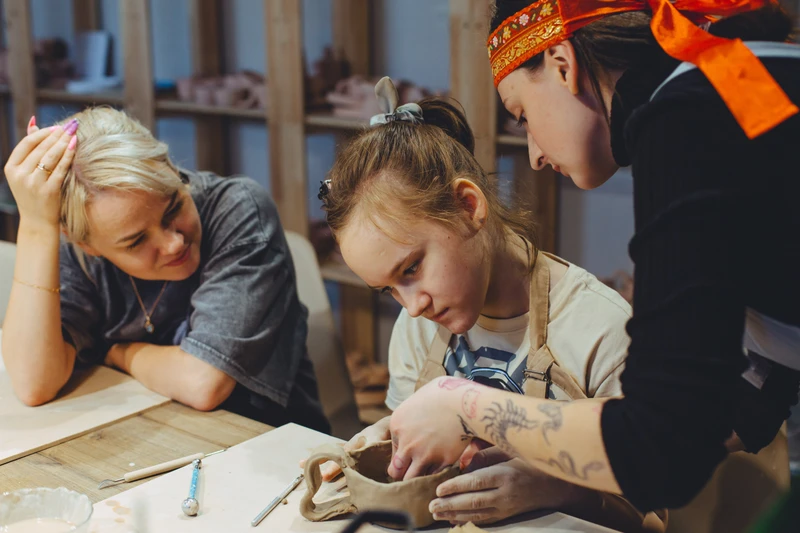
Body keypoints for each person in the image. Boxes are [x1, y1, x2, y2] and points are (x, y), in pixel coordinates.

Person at [386, 0, 800, 513]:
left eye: (523, 116)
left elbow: (661, 447)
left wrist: (463, 402)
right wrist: (559, 462)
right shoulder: (745, 77)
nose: (535, 154)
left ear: (563, 64)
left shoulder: (687, 119)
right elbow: (749, 394)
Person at [312, 77, 666, 531]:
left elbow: (652, 521)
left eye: (412, 268)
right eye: (388, 290)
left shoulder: (602, 330)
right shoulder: (418, 328)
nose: (412, 306)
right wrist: (390, 440)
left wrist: (558, 487)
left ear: (468, 206)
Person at [1, 107, 329, 433]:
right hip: (148, 436)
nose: (173, 244)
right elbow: (34, 383)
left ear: (173, 169)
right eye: (136, 241)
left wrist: (119, 354)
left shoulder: (237, 208)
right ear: (86, 245)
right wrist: (35, 225)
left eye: (174, 207)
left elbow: (203, 382)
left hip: (270, 442)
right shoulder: (77, 249)